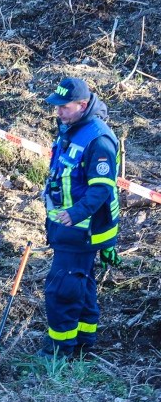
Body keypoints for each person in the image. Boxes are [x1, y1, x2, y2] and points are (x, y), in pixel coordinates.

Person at [40, 77, 120, 359]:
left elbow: (101, 189)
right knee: (82, 284)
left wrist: (74, 215)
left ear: (83, 105)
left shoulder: (99, 140)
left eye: (64, 107)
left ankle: (59, 350)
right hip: (67, 228)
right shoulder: (70, 128)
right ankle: (84, 340)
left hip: (81, 230)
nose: (58, 112)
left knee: (62, 288)